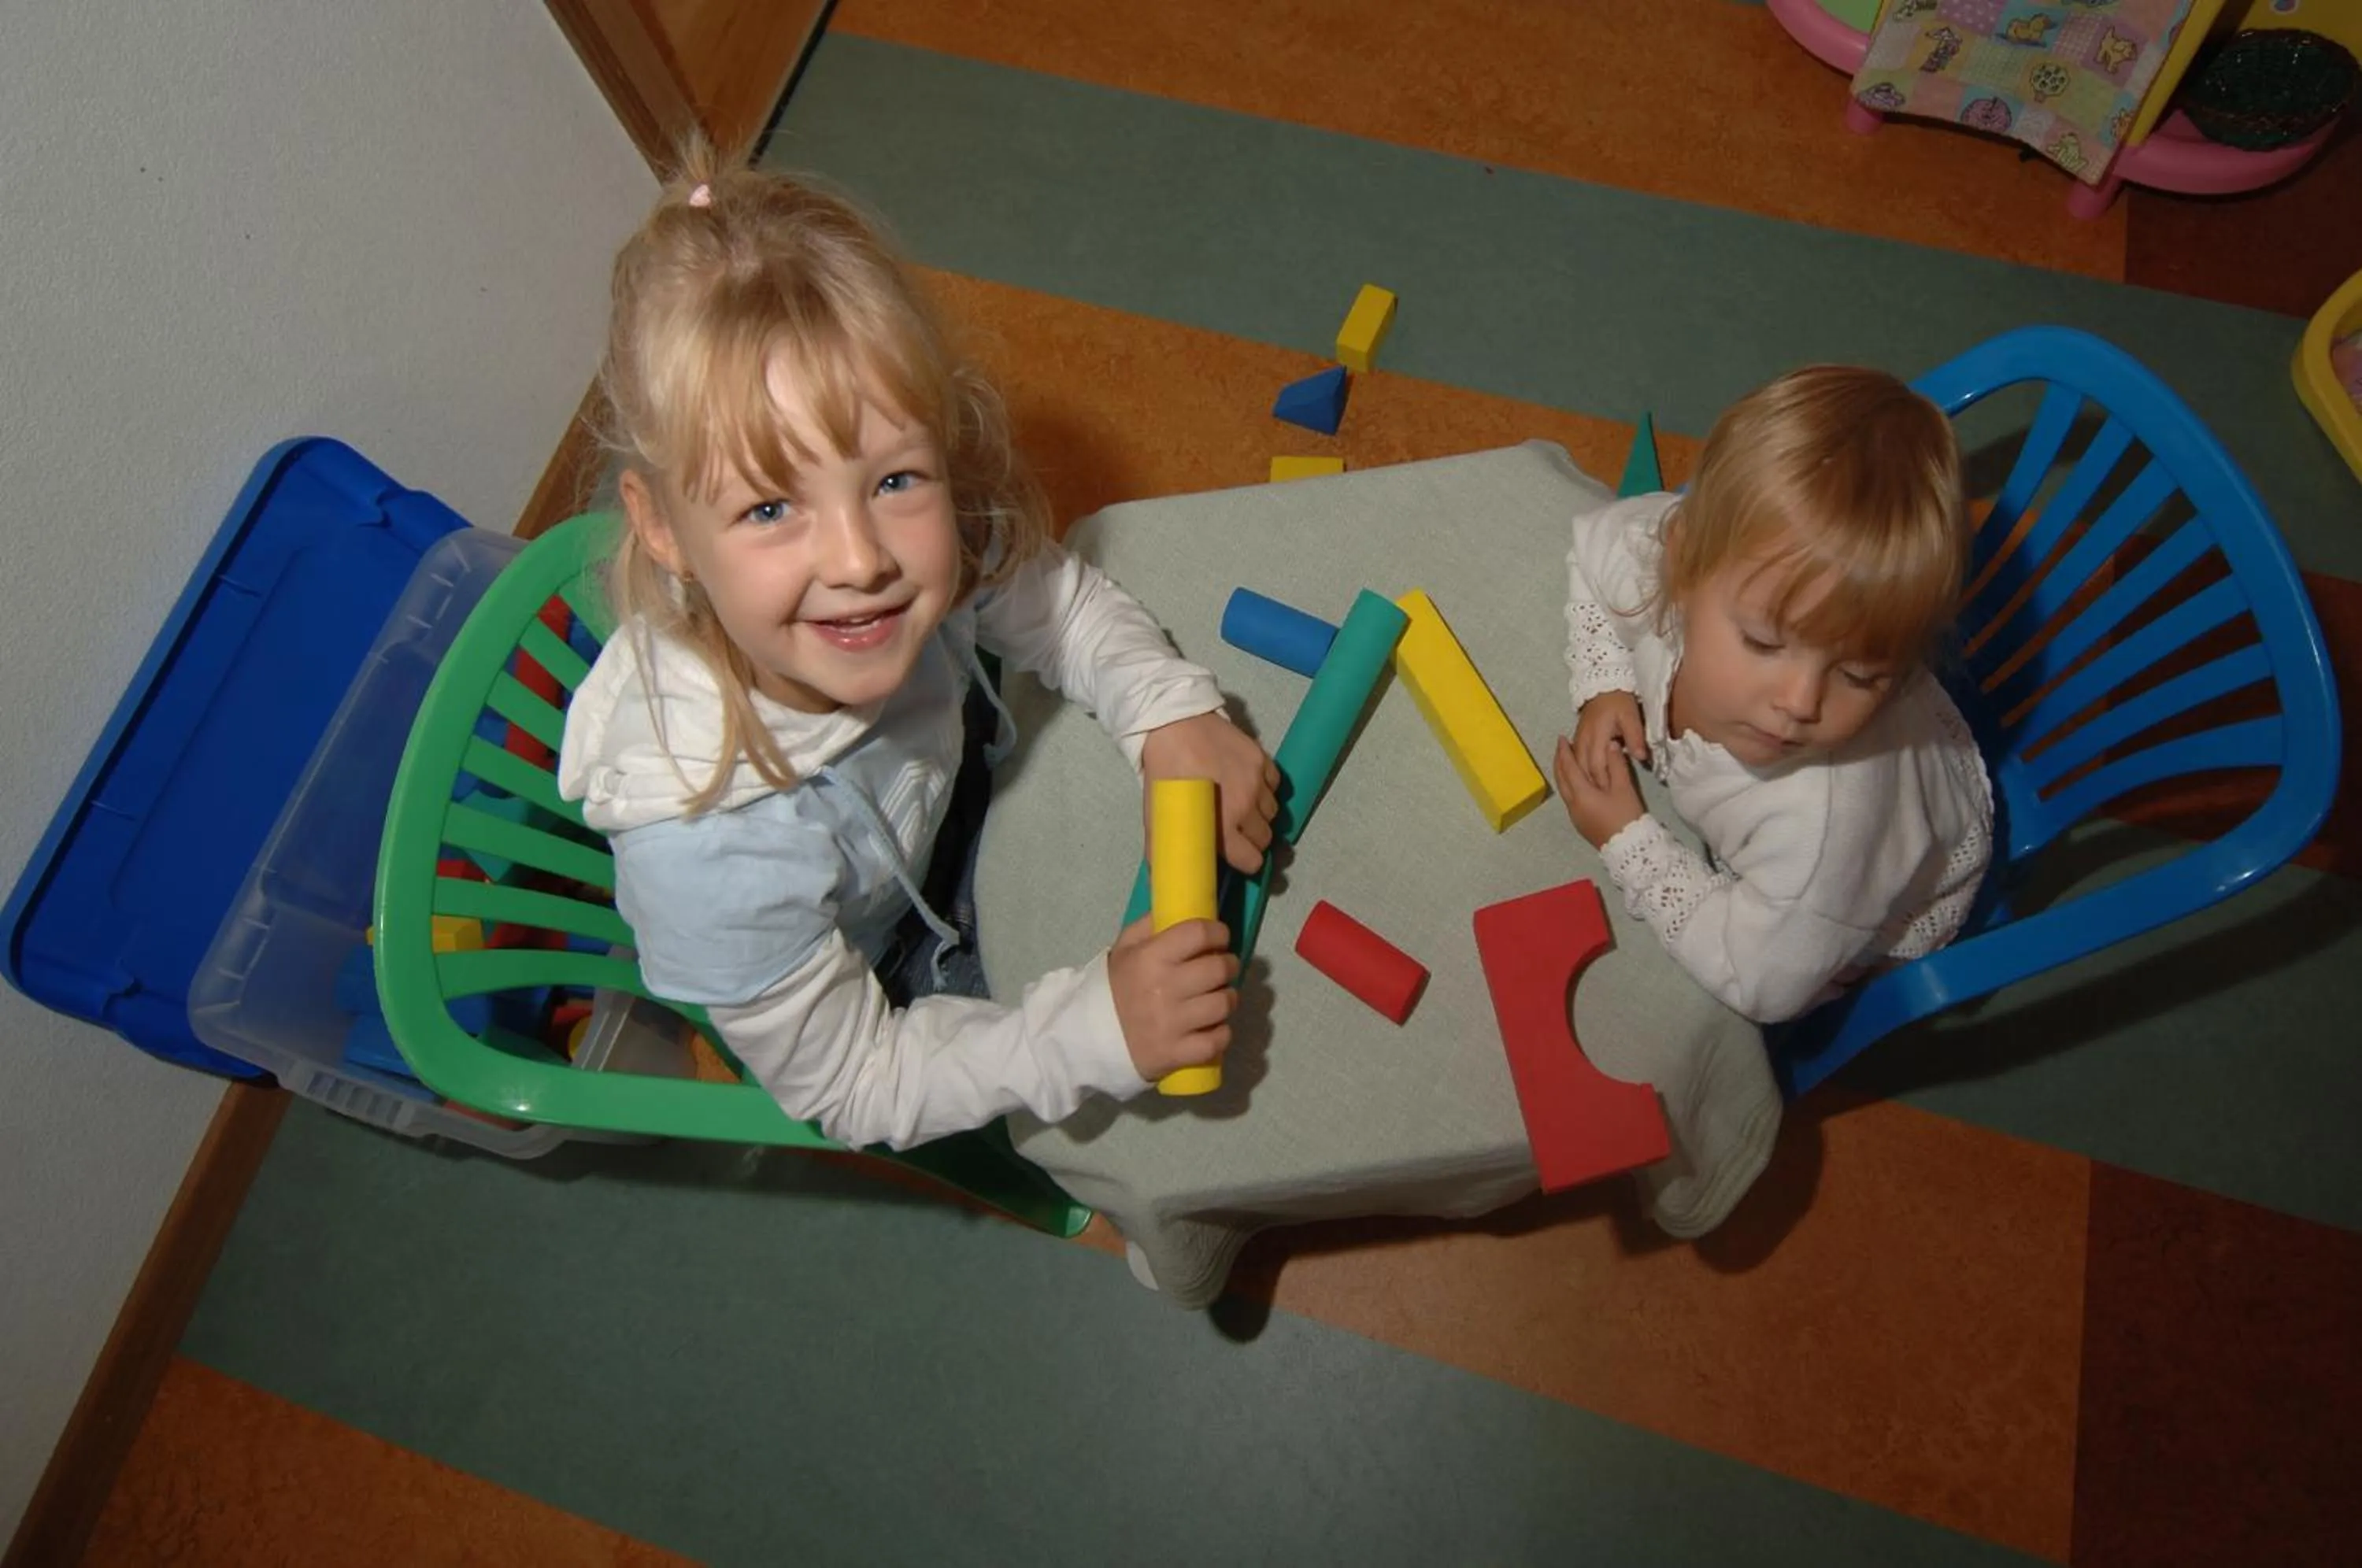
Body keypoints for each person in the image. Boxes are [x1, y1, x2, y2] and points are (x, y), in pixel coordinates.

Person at [556, 149, 1279, 1149]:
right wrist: (1091, 1033)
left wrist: (1166, 708)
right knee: (1201, 1131)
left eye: (896, 478)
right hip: (891, 973)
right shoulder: (707, 858)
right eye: (771, 507)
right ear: (664, 528)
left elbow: (1057, 606)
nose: (862, 561)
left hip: (960, 796)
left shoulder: (924, 546)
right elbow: (858, 1085)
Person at [1556, 364, 1994, 1023]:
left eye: (1861, 676)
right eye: (1763, 641)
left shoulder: (1824, 826)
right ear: (1681, 567)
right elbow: (1591, 552)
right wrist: (1604, 681)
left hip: (1881, 894)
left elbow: (1759, 983)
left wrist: (1629, 840)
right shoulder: (1674, 558)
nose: (1799, 702)